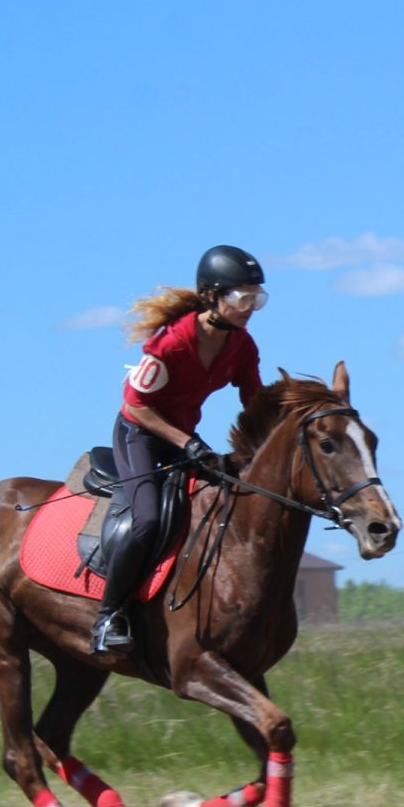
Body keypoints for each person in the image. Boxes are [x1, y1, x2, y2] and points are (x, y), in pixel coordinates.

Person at [91, 244, 268, 654]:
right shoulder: (170, 343)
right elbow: (136, 406)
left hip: (184, 438)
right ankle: (107, 617)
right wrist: (187, 443)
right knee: (148, 520)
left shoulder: (242, 345)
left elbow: (254, 404)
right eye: (243, 298)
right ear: (211, 296)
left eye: (257, 299)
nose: (250, 308)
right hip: (140, 432)